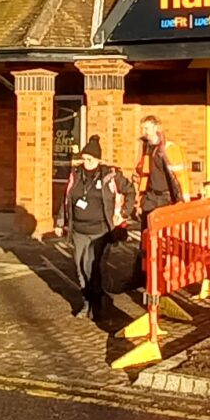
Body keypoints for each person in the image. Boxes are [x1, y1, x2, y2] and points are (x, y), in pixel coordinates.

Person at [59, 135, 135, 321]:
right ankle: (87, 299)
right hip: (78, 229)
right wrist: (60, 221)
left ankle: (97, 302)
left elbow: (130, 191)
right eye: (84, 158)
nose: (86, 162)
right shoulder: (76, 174)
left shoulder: (110, 175)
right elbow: (67, 198)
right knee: (79, 266)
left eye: (90, 159)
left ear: (98, 160)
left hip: (100, 230)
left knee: (91, 266)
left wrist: (123, 214)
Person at [136, 116, 182, 219]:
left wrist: (180, 199)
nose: (144, 132)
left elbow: (178, 176)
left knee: (162, 231)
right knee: (146, 230)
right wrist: (140, 196)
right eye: (142, 129)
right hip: (149, 196)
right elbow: (143, 174)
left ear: (155, 128)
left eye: (146, 128)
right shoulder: (145, 147)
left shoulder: (168, 148)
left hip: (165, 197)